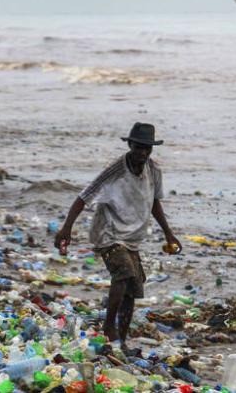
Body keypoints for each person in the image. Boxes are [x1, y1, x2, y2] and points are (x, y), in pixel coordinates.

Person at [54, 122, 181, 348]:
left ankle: (120, 339)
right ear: (130, 144)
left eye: (147, 148)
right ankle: (109, 326)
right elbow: (85, 196)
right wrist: (67, 228)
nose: (142, 152)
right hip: (108, 231)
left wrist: (169, 234)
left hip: (132, 236)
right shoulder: (116, 169)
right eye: (139, 147)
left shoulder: (154, 170)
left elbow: (154, 202)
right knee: (123, 272)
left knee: (133, 286)